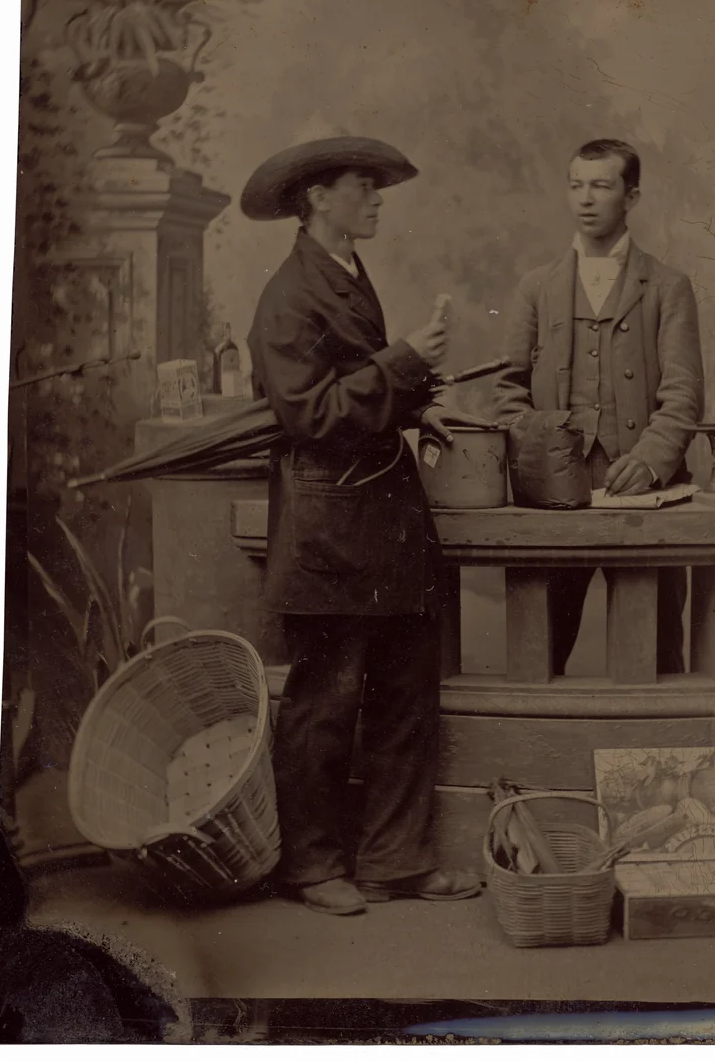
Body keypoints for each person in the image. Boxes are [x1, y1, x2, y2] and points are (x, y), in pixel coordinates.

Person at [243, 136, 487, 916]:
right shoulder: (287, 295)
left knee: (406, 692)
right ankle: (310, 867)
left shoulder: (344, 272)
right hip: (328, 529)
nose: (379, 197)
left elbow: (354, 386)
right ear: (318, 198)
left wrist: (421, 404)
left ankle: (395, 860)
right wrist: (407, 362)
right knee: (325, 705)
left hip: (379, 517)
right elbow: (311, 414)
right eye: (363, 185)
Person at [494, 139, 705, 675]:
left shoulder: (667, 286)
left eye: (602, 186)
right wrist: (540, 458)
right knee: (538, 648)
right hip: (554, 498)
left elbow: (684, 393)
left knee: (655, 651)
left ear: (631, 196)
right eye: (576, 185)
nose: (585, 200)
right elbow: (506, 390)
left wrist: (652, 459)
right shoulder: (536, 286)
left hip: (642, 489)